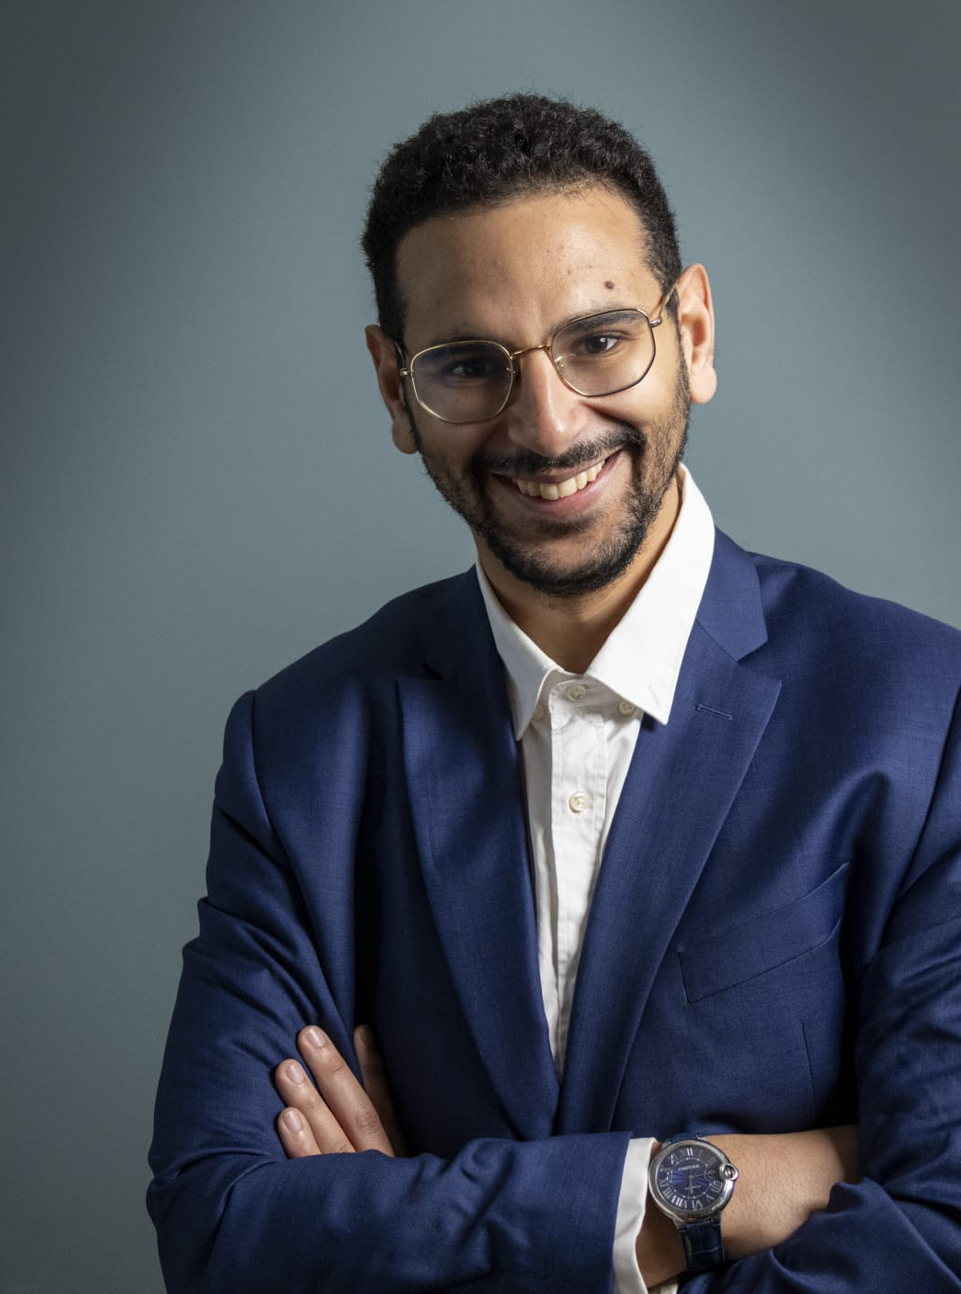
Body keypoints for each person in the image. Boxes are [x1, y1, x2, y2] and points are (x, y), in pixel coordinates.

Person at [147, 94, 961, 1292]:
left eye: (599, 340)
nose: (546, 424)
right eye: (466, 365)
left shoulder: (926, 712)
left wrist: (403, 1222)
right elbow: (220, 1229)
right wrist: (696, 1191)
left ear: (692, 332)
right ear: (393, 388)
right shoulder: (298, 750)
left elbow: (940, 1232)